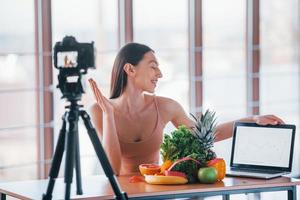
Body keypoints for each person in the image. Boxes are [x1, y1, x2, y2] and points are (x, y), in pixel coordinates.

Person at [88, 43, 284, 176]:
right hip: (119, 194)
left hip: (155, 190)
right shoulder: (100, 110)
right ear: (130, 70)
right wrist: (109, 115)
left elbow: (207, 136)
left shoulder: (166, 106)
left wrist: (253, 119)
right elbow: (112, 171)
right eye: (153, 66)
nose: (160, 74)